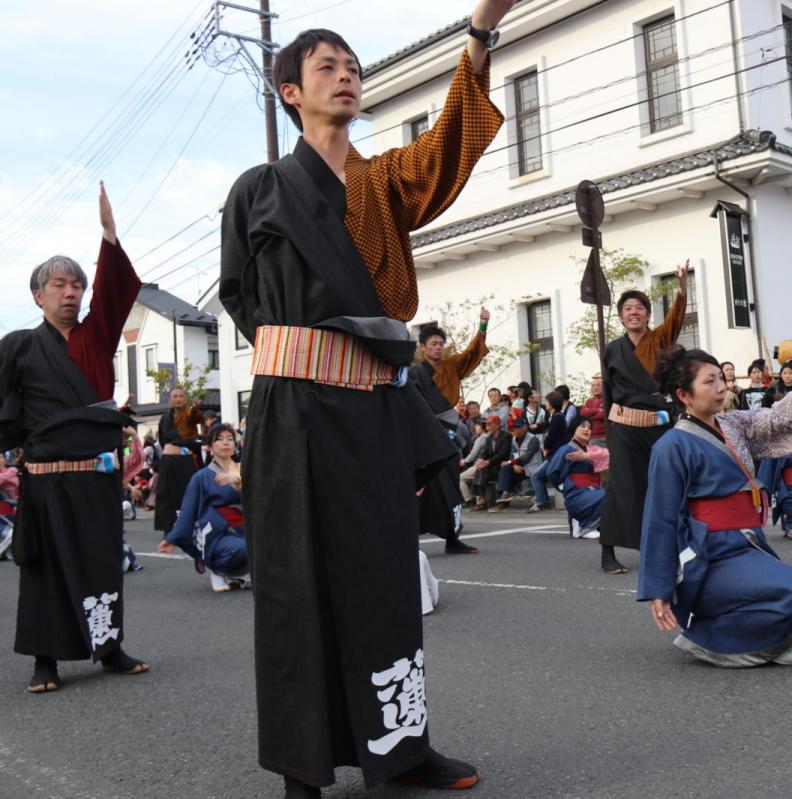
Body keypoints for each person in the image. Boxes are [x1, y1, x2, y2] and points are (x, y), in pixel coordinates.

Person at [218, 5, 512, 793]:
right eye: (327, 67)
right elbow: (240, 297)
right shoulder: (259, 190)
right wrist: (304, 357)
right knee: (297, 587)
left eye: (353, 66)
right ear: (289, 92)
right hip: (296, 416)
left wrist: (480, 31)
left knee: (385, 584)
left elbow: (450, 144)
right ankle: (303, 767)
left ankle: (402, 751)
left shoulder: (382, 183)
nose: (347, 75)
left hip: (376, 409)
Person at [0, 182, 148, 693]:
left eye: (76, 286)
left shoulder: (95, 338)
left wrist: (109, 236)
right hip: (43, 481)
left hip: (95, 478)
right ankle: (46, 660)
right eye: (59, 285)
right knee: (44, 570)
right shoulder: (17, 347)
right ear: (38, 295)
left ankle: (108, 648)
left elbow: (114, 294)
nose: (70, 293)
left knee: (102, 563)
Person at [638, 346, 792, 666]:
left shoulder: (733, 423)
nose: (721, 387)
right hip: (708, 553)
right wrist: (658, 588)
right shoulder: (671, 445)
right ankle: (710, 637)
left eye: (721, 379)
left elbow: (772, 419)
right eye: (709, 381)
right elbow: (660, 518)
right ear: (684, 395)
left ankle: (717, 631)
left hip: (747, 542)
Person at [599, 263, 690, 574]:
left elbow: (676, 319)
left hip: (658, 427)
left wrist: (682, 290)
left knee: (665, 485)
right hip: (624, 428)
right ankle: (607, 551)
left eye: (639, 308)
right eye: (627, 308)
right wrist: (610, 432)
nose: (633, 312)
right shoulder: (613, 349)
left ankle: (671, 547)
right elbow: (609, 392)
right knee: (621, 488)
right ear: (621, 316)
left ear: (648, 315)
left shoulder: (660, 338)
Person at [413, 313, 490, 554]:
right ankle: (407, 536)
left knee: (450, 485)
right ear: (423, 348)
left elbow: (471, 353)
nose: (438, 348)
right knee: (421, 486)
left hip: (448, 434)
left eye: (440, 344)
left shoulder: (452, 366)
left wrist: (483, 326)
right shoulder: (414, 373)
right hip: (425, 435)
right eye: (433, 344)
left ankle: (452, 538)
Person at [160, 424, 250, 592]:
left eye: (230, 439)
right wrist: (172, 538)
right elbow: (187, 511)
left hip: (246, 527)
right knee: (244, 548)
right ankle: (217, 569)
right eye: (220, 439)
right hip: (220, 533)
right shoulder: (201, 477)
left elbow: (261, 495)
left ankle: (241, 575)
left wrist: (238, 480)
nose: (226, 443)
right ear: (210, 447)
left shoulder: (245, 469)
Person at [544, 416, 608, 539]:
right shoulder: (567, 449)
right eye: (583, 426)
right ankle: (586, 527)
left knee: (616, 495)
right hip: (577, 494)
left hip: (593, 492)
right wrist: (563, 487)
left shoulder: (592, 450)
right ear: (574, 429)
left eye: (589, 428)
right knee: (609, 495)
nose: (587, 430)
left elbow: (609, 455)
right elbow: (551, 472)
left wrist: (587, 457)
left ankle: (581, 522)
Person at [155, 388, 204, 534]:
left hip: (185, 459)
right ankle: (168, 527)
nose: (178, 399)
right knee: (166, 493)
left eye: (181, 396)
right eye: (175, 396)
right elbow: (162, 439)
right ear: (170, 400)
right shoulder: (165, 418)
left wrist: (195, 407)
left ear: (186, 399)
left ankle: (188, 525)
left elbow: (196, 417)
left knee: (187, 491)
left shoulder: (190, 413)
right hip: (169, 459)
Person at [494, 414, 542, 508]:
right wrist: (514, 465)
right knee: (505, 468)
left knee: (507, 465)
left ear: (525, 427)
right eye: (514, 427)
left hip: (533, 469)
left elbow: (527, 457)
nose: (515, 429)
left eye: (518, 427)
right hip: (520, 467)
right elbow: (512, 455)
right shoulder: (514, 440)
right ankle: (505, 494)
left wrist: (512, 463)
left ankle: (506, 495)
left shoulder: (533, 439)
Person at [469, 416, 512, 511]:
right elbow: (485, 453)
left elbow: (503, 454)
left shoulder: (506, 436)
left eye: (489, 424)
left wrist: (488, 462)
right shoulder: (489, 438)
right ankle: (481, 499)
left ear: (497, 425)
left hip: (502, 463)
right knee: (480, 468)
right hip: (492, 464)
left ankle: (483, 499)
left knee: (483, 468)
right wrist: (481, 460)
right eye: (486, 425)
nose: (487, 427)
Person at [579, 375, 608, 447]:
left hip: (604, 436)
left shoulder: (606, 400)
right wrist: (598, 410)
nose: (595, 387)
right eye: (593, 386)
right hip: (591, 436)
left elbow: (604, 414)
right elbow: (583, 412)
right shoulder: (589, 401)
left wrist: (590, 414)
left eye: (598, 385)